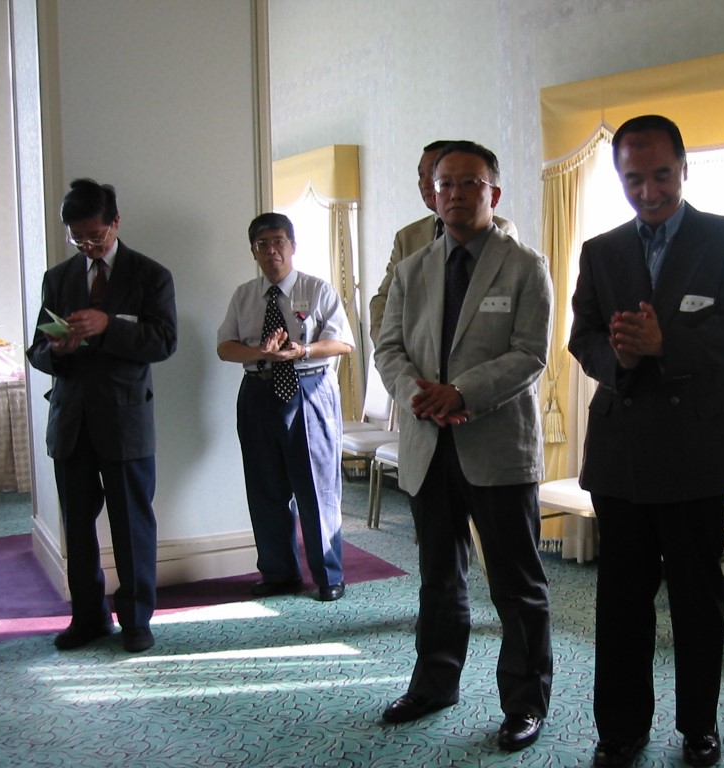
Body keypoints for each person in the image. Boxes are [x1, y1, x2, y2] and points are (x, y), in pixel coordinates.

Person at [568, 116, 724, 768]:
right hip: (622, 450)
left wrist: (664, 344)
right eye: (634, 179)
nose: (648, 192)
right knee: (621, 600)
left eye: (660, 175)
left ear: (683, 168)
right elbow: (583, 336)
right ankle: (621, 728)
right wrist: (619, 357)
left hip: (697, 449)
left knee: (696, 598)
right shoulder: (601, 250)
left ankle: (699, 724)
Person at [374, 140, 553, 752]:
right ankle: (433, 684)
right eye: (444, 183)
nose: (454, 194)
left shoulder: (525, 266)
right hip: (429, 445)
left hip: (497, 446)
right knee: (438, 577)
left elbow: (530, 354)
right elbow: (388, 347)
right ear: (433, 192)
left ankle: (524, 703)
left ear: (493, 193)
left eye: (469, 183)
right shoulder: (412, 268)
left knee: (516, 584)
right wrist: (417, 395)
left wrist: (461, 393)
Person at [27, 178, 178, 653]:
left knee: (132, 526)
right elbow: (36, 349)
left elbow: (164, 341)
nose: (87, 246)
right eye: (77, 238)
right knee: (77, 526)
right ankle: (88, 617)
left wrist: (108, 325)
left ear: (115, 222)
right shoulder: (58, 278)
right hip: (70, 420)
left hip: (125, 420)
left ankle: (135, 619)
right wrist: (58, 350)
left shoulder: (150, 275)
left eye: (94, 236)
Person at [217, 212, 354, 602]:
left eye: (278, 242)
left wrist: (303, 350)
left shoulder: (318, 289)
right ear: (253, 252)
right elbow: (225, 347)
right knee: (265, 487)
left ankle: (328, 574)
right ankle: (279, 573)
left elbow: (343, 343)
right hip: (258, 391)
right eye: (262, 244)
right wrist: (261, 352)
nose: (271, 250)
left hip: (309, 390)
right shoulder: (244, 295)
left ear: (292, 246)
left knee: (316, 487)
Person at [368, 139, 517, 346]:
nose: (425, 183)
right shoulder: (408, 237)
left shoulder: (500, 231)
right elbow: (383, 300)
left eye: (433, 173)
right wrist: (388, 348)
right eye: (421, 175)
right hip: (414, 357)